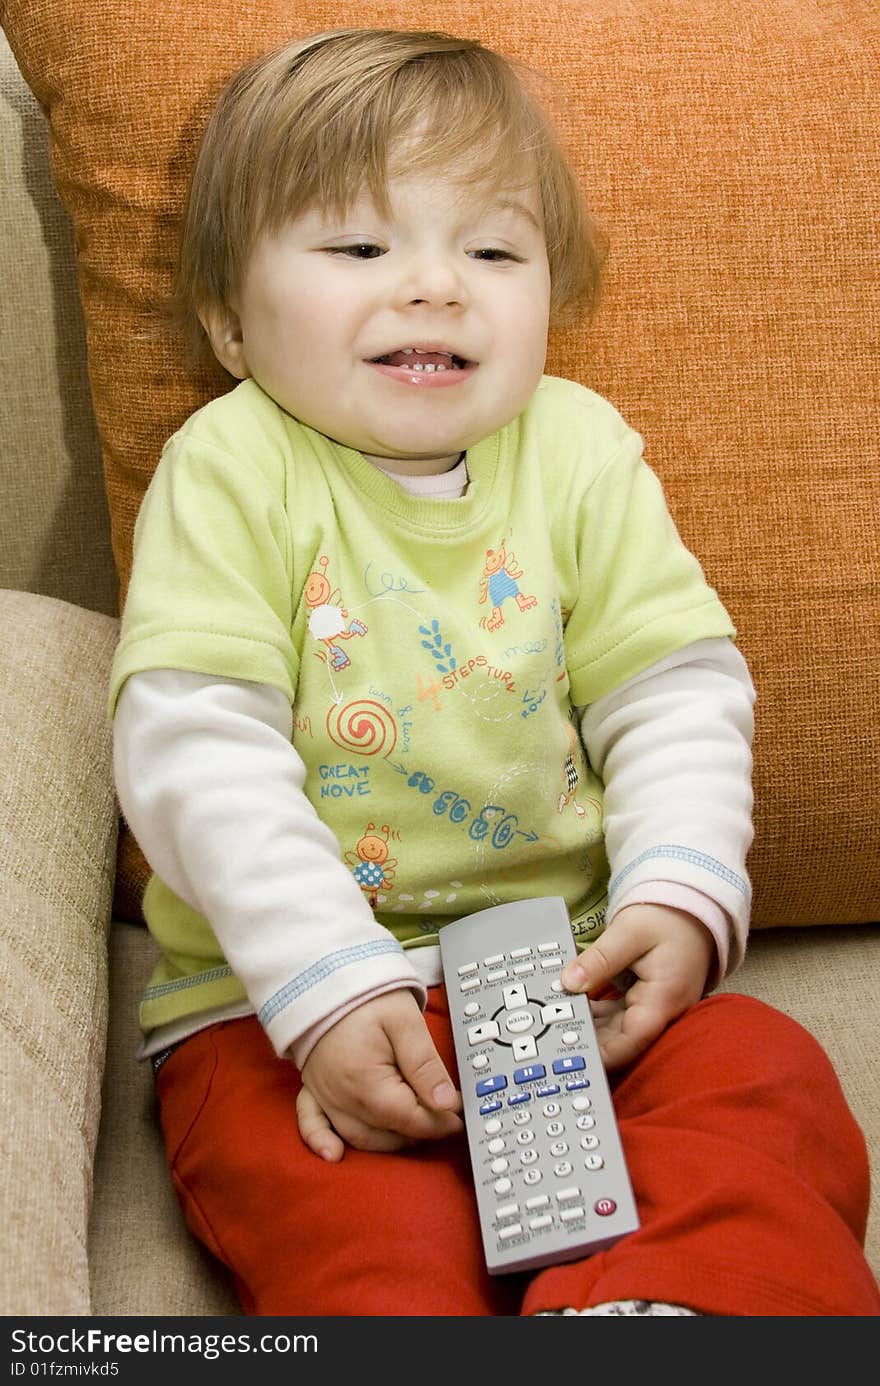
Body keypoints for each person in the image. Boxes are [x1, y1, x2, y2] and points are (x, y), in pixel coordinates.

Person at [109, 28, 879, 1316]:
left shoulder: (578, 448)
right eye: (359, 249)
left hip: (573, 972)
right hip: (279, 1003)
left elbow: (675, 689)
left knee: (761, 1069)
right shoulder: (232, 467)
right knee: (344, 1217)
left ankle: (673, 1305)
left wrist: (681, 895)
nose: (435, 288)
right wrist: (330, 988)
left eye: (493, 250)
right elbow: (194, 748)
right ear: (229, 320)